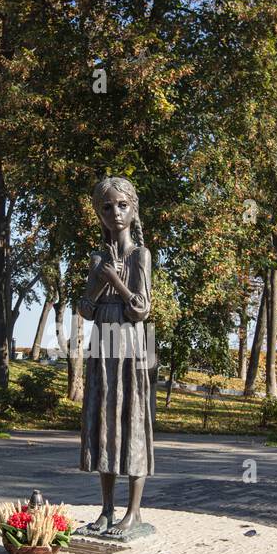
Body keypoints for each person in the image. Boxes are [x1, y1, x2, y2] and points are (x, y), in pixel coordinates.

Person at [78, 176, 155, 535]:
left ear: (133, 208)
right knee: (104, 417)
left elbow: (141, 308)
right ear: (99, 213)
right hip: (101, 344)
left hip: (130, 343)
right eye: (107, 207)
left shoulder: (141, 255)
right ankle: (107, 509)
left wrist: (117, 282)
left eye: (122, 205)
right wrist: (97, 282)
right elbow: (86, 310)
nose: (115, 213)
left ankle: (134, 512)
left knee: (132, 417)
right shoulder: (96, 257)